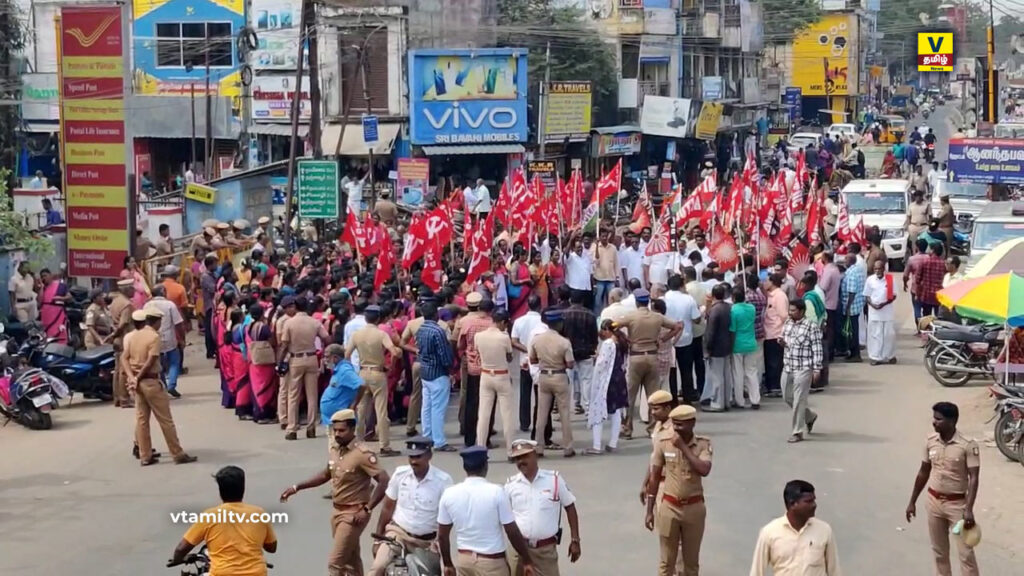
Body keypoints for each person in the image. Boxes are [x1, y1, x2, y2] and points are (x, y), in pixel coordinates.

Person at [280, 409, 390, 576]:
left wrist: (367, 508)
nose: (337, 434)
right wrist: (297, 487)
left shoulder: (362, 454)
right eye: (335, 430)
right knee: (351, 561)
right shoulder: (335, 449)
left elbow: (384, 481)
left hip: (353, 514)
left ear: (353, 429)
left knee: (335, 563)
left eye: (341, 430)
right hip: (337, 511)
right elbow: (326, 474)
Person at [905, 402, 981, 576]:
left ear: (952, 421)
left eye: (938, 419)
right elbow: (923, 472)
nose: (934, 422)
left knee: (966, 553)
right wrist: (912, 502)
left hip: (957, 508)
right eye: (934, 418)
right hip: (934, 504)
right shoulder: (930, 442)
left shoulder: (967, 445)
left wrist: (968, 509)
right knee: (939, 552)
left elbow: (974, 478)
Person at [436, 446, 536, 576]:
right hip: (492, 563)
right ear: (485, 466)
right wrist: (527, 559)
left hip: (464, 561)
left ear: (465, 468)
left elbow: (442, 536)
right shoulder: (496, 492)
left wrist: (448, 563)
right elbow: (512, 531)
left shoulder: (449, 493)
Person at [369, 436, 453, 576]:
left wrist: (442, 549)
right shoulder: (400, 475)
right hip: (397, 534)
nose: (413, 461)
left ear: (429, 456)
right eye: (411, 457)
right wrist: (378, 539)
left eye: (418, 457)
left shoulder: (443, 481)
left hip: (426, 541)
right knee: (377, 568)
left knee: (440, 572)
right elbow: (387, 508)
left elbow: (447, 519)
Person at [168, 466, 277, 574]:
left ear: (220, 491)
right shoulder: (259, 513)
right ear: (243, 488)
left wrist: (179, 559)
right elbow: (272, 547)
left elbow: (181, 549)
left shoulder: (210, 516)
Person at [645, 404, 712, 576]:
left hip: (694, 509)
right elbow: (654, 476)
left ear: (692, 423)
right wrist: (650, 510)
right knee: (666, 562)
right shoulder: (663, 443)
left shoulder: (703, 445)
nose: (676, 428)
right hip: (670, 507)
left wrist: (683, 447)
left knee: (691, 563)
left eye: (681, 424)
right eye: (674, 424)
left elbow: (704, 469)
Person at [124, 308, 196, 465]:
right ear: (155, 321)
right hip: (150, 381)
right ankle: (177, 453)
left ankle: (145, 455)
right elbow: (151, 360)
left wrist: (132, 377)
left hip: (138, 383)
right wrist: (138, 377)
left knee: (142, 420)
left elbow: (124, 358)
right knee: (165, 420)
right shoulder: (154, 337)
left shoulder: (133, 336)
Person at [505, 439, 583, 575]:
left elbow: (570, 507)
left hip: (545, 551)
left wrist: (575, 540)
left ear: (535, 455)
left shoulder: (554, 480)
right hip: (518, 550)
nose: (520, 461)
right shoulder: (511, 485)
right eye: (517, 458)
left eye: (524, 456)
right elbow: (503, 517)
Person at [616, 289, 681, 436]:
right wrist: (662, 340)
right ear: (648, 302)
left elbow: (612, 326)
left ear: (637, 302)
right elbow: (677, 326)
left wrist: (624, 338)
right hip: (652, 356)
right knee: (653, 397)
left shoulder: (631, 316)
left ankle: (627, 428)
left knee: (631, 396)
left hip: (636, 356)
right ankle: (653, 428)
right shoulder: (657, 317)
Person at [749, 480, 841, 576]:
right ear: (792, 504)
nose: (814, 505)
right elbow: (756, 572)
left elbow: (834, 571)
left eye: (814, 500)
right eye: (808, 501)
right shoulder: (770, 532)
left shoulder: (824, 530)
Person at [346, 304, 401, 455]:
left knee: (361, 410)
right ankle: (384, 445)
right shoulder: (381, 334)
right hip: (378, 373)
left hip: (362, 372)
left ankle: (357, 443)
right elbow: (394, 352)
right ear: (378, 318)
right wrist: (390, 366)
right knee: (381, 411)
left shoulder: (357, 335)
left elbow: (347, 354)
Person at [280, 296, 332, 441]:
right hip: (311, 358)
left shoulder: (289, 323)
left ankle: (292, 428)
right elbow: (327, 339)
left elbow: (284, 344)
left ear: (295, 306)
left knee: (293, 395)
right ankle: (311, 427)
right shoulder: (314, 322)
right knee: (312, 395)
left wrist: (280, 361)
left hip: (295, 358)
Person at [529, 309, 576, 457]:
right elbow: (570, 364)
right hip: (559, 376)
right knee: (564, 414)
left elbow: (533, 360)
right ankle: (568, 447)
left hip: (544, 377)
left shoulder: (537, 339)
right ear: (560, 324)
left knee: (541, 415)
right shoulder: (564, 342)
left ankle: (539, 447)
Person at [415, 302, 457, 451]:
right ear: (436, 315)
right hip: (438, 372)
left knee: (426, 407)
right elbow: (444, 355)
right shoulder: (437, 331)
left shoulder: (420, 329)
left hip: (425, 372)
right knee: (438, 409)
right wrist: (451, 369)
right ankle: (439, 441)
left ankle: (427, 436)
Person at [781, 299, 823, 443]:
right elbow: (786, 340)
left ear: (801, 311)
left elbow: (817, 348)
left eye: (793, 310)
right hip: (788, 365)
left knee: (799, 399)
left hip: (804, 367)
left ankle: (797, 431)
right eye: (790, 310)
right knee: (787, 397)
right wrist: (782, 343)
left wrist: (817, 369)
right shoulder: (788, 323)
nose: (790, 313)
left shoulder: (811, 326)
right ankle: (809, 416)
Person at [475, 309, 516, 455]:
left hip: (485, 375)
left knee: (483, 414)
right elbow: (509, 357)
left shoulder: (479, 336)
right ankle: (510, 449)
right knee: (507, 414)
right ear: (503, 322)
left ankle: (480, 448)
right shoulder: (504, 338)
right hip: (502, 375)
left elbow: (478, 353)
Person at [458, 293, 495, 448]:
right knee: (488, 405)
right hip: (489, 368)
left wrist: (465, 355)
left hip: (473, 367)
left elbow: (460, 344)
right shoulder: (493, 325)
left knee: (471, 403)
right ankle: (485, 438)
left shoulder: (468, 323)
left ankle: (469, 438)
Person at [587, 319, 629, 454]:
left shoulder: (608, 344)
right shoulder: (622, 342)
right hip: (619, 379)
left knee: (598, 409)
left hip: (608, 380)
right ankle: (613, 443)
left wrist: (597, 361)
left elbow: (602, 364)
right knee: (616, 411)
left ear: (607, 330)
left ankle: (597, 445)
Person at [665, 274, 702, 404]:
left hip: (668, 340)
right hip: (686, 339)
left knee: (671, 370)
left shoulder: (664, 298)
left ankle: (673, 398)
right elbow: (696, 319)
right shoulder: (688, 299)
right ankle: (687, 398)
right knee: (686, 370)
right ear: (682, 285)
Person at [561, 291, 598, 415]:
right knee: (587, 380)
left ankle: (569, 406)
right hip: (586, 351)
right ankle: (588, 407)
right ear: (583, 301)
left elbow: (561, 333)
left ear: (571, 300)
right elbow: (594, 335)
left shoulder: (564, 315)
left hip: (568, 352)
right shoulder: (590, 315)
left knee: (569, 380)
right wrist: (593, 348)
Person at [511, 295, 544, 433]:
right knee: (540, 394)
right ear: (540, 306)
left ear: (527, 305)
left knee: (524, 393)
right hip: (539, 362)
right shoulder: (543, 322)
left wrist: (526, 349)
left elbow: (514, 341)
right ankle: (540, 422)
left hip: (524, 361)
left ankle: (524, 423)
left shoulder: (519, 321)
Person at [146, 285, 186, 398]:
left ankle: (163, 385)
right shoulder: (170, 305)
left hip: (152, 337)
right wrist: (182, 338)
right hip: (169, 338)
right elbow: (178, 323)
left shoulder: (146, 305)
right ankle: (171, 385)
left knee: (159, 364)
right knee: (174, 362)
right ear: (163, 292)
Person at [247, 303, 280, 424]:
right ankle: (266, 415)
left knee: (257, 387)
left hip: (254, 359)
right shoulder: (264, 327)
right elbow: (272, 341)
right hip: (265, 360)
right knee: (267, 387)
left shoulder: (249, 326)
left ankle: (258, 413)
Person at [703, 284, 732, 412]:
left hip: (716, 347)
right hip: (727, 345)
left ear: (713, 295)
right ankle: (726, 401)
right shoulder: (728, 307)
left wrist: (708, 348)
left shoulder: (715, 310)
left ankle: (717, 403)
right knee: (726, 375)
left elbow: (710, 332)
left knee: (717, 376)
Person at [729, 285, 760, 409]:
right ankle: (755, 400)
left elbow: (732, 329)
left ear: (733, 298)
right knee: (751, 372)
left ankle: (740, 401)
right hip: (751, 343)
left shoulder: (733, 310)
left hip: (737, 344)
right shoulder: (751, 308)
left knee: (738, 373)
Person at [110, 279, 137, 408]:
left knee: (117, 370)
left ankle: (117, 398)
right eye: (132, 288)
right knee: (124, 371)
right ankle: (124, 399)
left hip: (117, 339)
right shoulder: (126, 304)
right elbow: (123, 323)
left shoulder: (115, 302)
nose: (134, 291)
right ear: (126, 290)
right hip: (123, 338)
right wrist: (115, 334)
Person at [763, 273, 788, 398]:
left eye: (766, 281)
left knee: (775, 362)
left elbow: (784, 316)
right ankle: (771, 386)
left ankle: (776, 387)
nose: (764, 283)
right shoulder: (769, 295)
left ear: (772, 282)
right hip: (768, 333)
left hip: (776, 333)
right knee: (770, 361)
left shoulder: (780, 296)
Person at [839, 254, 865, 362]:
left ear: (850, 261)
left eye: (845, 259)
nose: (844, 261)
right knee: (853, 329)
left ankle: (855, 354)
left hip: (852, 306)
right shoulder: (858, 269)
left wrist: (848, 306)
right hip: (858, 304)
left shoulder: (851, 274)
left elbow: (852, 292)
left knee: (851, 331)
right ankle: (853, 352)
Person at [37, 267, 69, 344]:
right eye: (42, 277)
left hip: (58, 313)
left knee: (60, 332)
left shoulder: (60, 285)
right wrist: (41, 287)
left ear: (50, 275)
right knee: (48, 333)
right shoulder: (42, 288)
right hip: (47, 314)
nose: (44, 278)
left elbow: (69, 297)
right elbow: (39, 302)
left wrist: (61, 298)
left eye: (45, 275)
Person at [592, 230, 618, 314]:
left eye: (605, 236)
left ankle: (610, 316)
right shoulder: (595, 247)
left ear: (608, 237)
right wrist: (596, 247)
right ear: (599, 237)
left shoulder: (613, 248)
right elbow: (596, 261)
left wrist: (617, 277)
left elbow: (616, 263)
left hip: (610, 279)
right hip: (599, 279)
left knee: (612, 300)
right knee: (598, 301)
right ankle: (598, 318)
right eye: (602, 236)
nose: (604, 238)